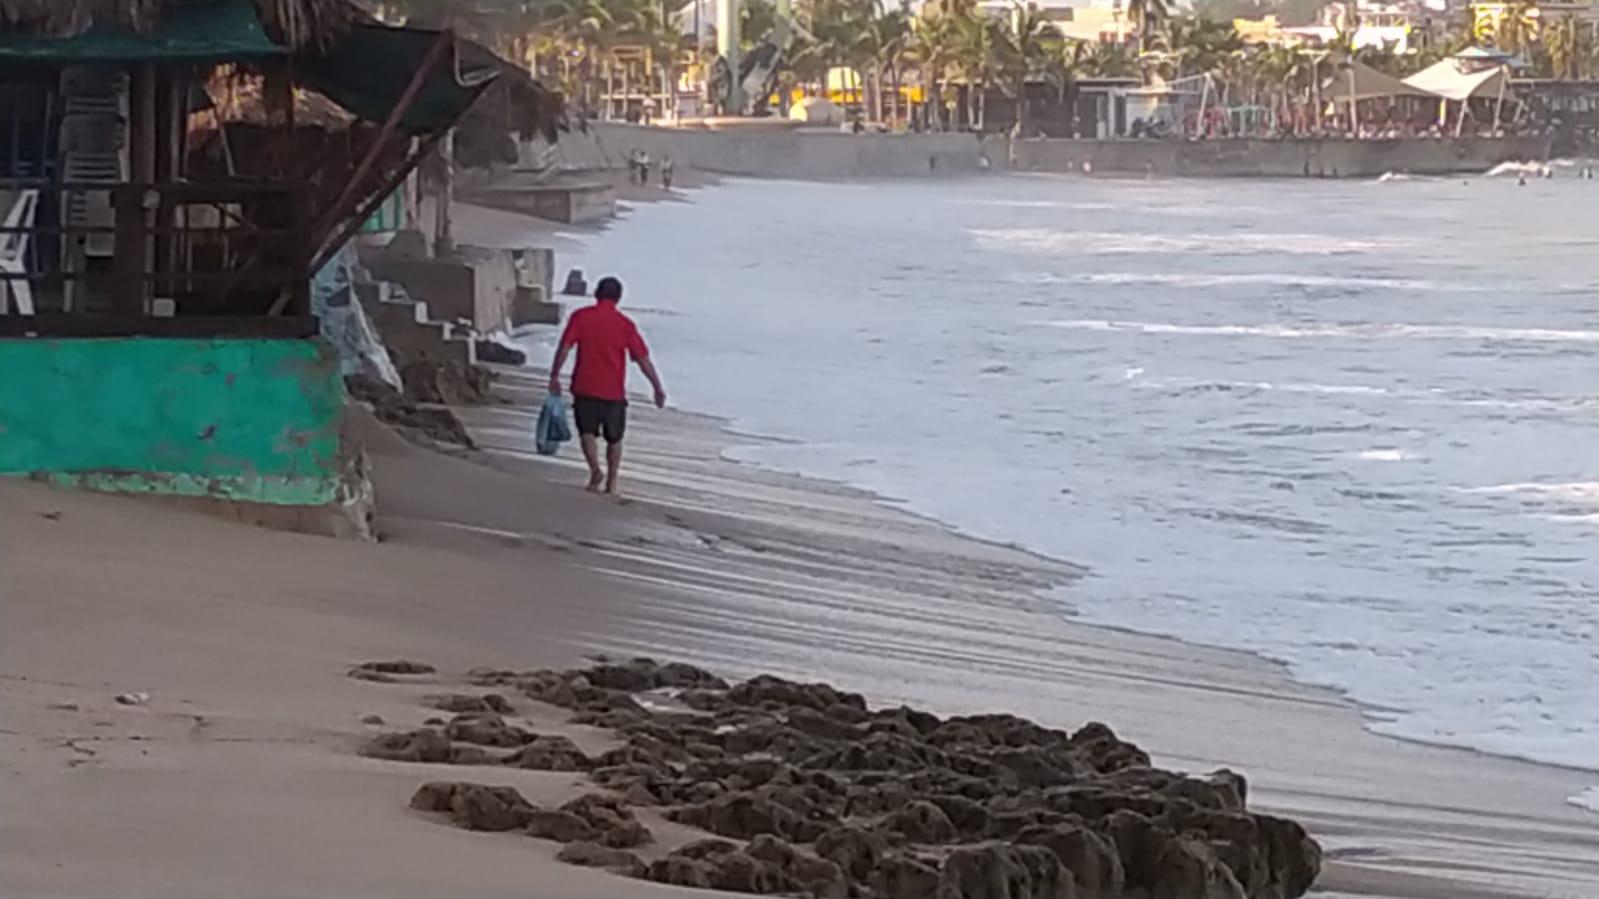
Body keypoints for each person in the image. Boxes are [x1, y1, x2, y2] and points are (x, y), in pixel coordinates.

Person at [548, 276, 667, 495]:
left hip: (585, 386)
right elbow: (642, 359)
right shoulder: (625, 325)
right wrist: (657, 387)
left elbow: (564, 348)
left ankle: (595, 469)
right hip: (613, 392)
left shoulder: (581, 317)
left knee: (587, 432)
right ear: (619, 298)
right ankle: (612, 483)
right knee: (615, 438)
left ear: (596, 294)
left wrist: (554, 375)